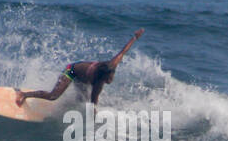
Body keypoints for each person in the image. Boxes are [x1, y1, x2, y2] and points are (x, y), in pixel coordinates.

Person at [15, 29, 144, 107]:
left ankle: (64, 107)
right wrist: (94, 118)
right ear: (102, 77)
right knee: (53, 96)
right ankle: (24, 94)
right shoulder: (98, 83)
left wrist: (135, 37)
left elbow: (124, 51)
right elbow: (93, 103)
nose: (110, 80)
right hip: (71, 71)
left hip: (82, 77)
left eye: (111, 77)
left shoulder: (113, 64)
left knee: (81, 100)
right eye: (108, 79)